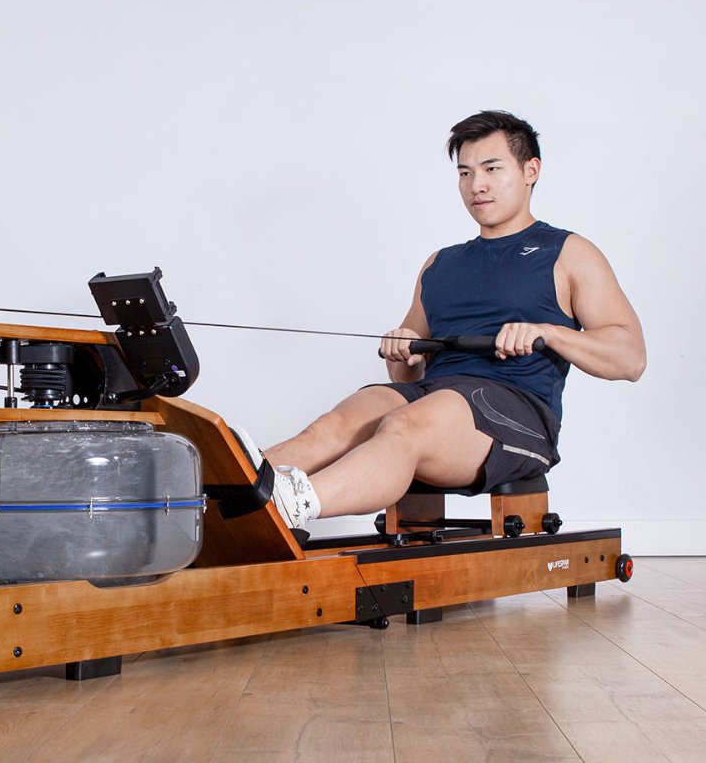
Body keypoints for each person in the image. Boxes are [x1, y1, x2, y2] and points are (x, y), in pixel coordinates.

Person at [241, 110, 646, 532]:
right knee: (337, 424)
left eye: (491, 169)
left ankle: (291, 503)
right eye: (465, 173)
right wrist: (403, 350)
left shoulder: (567, 252)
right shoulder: (441, 264)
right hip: (434, 397)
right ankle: (226, 495)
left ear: (531, 171)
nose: (477, 185)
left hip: (515, 415)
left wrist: (549, 332)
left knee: (404, 424)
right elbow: (405, 375)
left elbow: (631, 358)